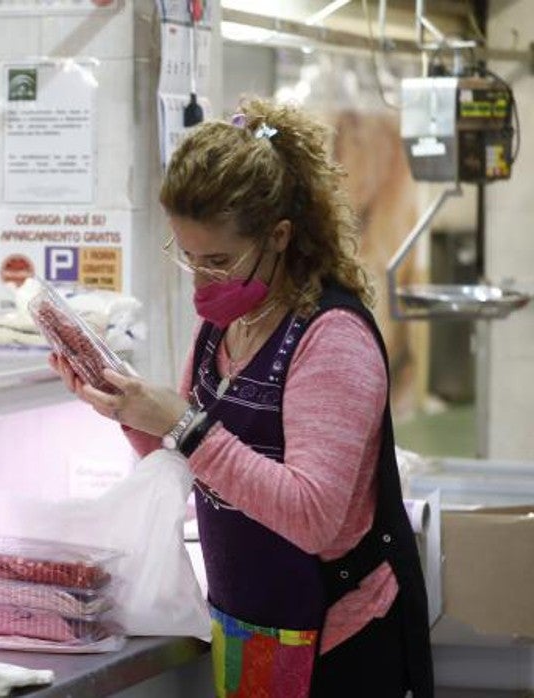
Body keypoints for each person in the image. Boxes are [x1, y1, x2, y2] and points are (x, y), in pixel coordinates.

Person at [49, 99, 433, 696]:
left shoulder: (331, 339)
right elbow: (186, 464)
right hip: (248, 629)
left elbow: (311, 516)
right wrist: (127, 411)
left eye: (220, 260)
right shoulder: (220, 328)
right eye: (189, 258)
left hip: (341, 641)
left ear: (279, 237)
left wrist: (186, 425)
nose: (202, 282)